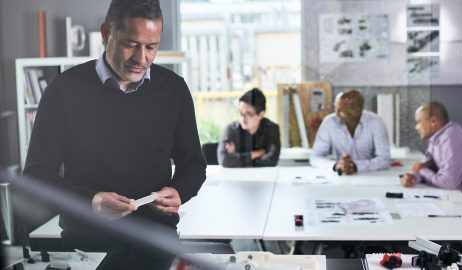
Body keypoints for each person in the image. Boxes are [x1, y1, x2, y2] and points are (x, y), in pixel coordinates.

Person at [23, 0, 206, 269]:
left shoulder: (174, 90)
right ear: (106, 33)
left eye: (151, 47)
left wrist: (180, 191)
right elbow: (36, 177)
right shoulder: (64, 90)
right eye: (130, 44)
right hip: (87, 248)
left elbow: (193, 165)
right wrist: (90, 202)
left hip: (158, 244)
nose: (141, 58)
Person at [400, 102, 462, 202]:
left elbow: (448, 182)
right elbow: (425, 164)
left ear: (433, 121)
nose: (416, 127)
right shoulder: (437, 138)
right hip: (459, 198)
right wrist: (413, 176)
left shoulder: (452, 138)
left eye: (419, 122)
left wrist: (421, 170)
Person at [310, 90, 390, 175]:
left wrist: (356, 166)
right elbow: (315, 157)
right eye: (336, 108)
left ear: (357, 111)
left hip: (371, 176)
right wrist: (335, 165)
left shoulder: (376, 122)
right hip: (340, 177)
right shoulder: (329, 122)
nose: (337, 114)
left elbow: (384, 159)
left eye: (341, 110)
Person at [217, 88, 280, 167]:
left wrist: (237, 157)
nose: (243, 118)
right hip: (235, 176)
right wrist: (257, 154)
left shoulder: (271, 128)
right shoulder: (231, 130)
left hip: (263, 175)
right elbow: (224, 161)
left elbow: (272, 160)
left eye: (248, 114)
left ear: (261, 114)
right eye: (240, 112)